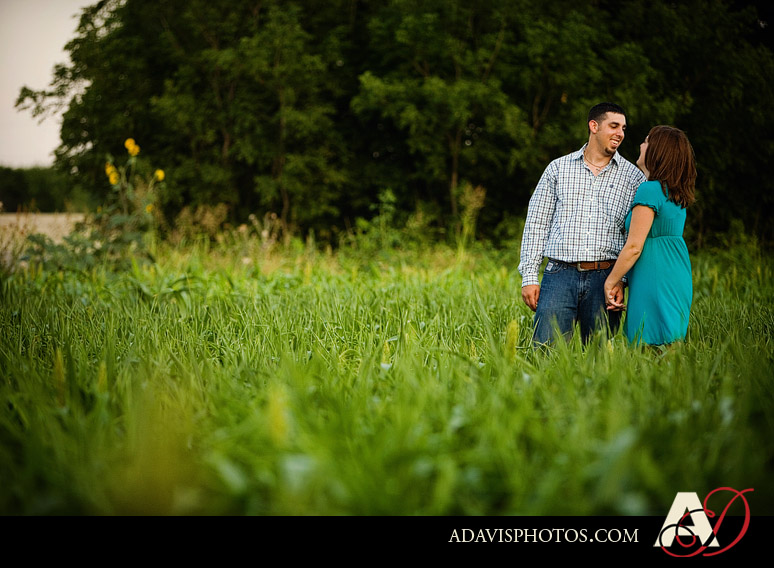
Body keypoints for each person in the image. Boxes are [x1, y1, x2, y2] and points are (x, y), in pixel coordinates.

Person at [518, 102, 646, 344]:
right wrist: (530, 277)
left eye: (623, 128)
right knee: (546, 351)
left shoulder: (633, 178)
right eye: (614, 126)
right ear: (594, 126)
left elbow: (634, 236)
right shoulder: (558, 169)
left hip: (607, 277)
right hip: (559, 275)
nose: (620, 133)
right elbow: (536, 224)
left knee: (599, 357)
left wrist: (622, 280)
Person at [603, 125, 696, 345]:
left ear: (657, 151)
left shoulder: (650, 190)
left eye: (646, 141)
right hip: (675, 273)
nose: (641, 145)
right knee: (669, 344)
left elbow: (634, 247)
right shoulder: (675, 193)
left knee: (647, 343)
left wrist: (611, 281)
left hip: (654, 276)